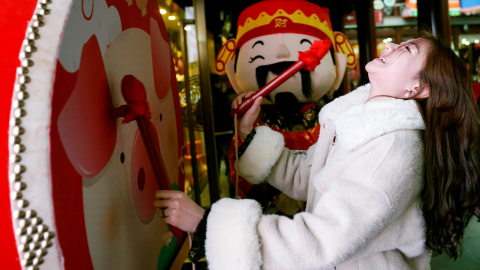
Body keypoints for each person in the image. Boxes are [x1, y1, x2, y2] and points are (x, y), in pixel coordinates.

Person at [154, 31, 480, 269]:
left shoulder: (393, 149)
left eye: (406, 50)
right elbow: (309, 176)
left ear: (417, 88)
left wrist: (208, 223)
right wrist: (248, 133)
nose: (390, 45)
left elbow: (321, 240)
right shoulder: (358, 121)